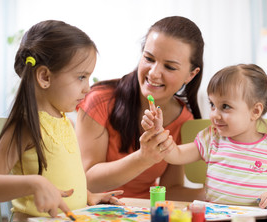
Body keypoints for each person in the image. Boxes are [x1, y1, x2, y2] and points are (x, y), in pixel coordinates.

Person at [0, 20, 124, 222]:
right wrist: (34, 183)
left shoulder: (67, 121)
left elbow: (61, 177)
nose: (88, 87)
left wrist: (86, 196)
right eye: (81, 77)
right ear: (45, 77)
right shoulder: (27, 125)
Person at [76, 16, 204, 201]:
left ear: (190, 75)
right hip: (97, 213)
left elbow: (171, 190)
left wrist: (214, 193)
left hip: (143, 215)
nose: (153, 73)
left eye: (169, 66)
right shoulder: (99, 101)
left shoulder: (184, 120)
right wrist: (143, 158)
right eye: (149, 58)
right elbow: (86, 181)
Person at [141, 63, 267, 209]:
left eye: (225, 106)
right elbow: (177, 155)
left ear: (255, 111)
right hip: (216, 220)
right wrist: (159, 132)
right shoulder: (211, 139)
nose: (214, 115)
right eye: (212, 105)